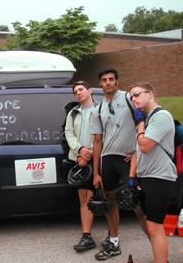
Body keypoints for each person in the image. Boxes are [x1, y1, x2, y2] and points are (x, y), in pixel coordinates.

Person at [90, 69, 148, 261]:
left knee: (136, 204)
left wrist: (137, 150)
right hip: (108, 160)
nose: (108, 83)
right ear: (100, 83)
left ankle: (157, 246)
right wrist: (96, 172)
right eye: (104, 80)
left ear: (117, 81)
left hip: (127, 160)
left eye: (111, 79)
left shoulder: (129, 99)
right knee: (110, 204)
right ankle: (113, 242)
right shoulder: (98, 109)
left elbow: (145, 122)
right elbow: (97, 142)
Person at [129, 82, 176, 263]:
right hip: (146, 177)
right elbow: (136, 152)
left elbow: (145, 145)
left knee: (154, 226)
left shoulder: (161, 116)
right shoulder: (146, 120)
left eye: (137, 94)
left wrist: (140, 125)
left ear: (150, 94)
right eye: (132, 96)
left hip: (160, 176)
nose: (134, 99)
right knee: (152, 225)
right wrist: (132, 180)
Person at [65, 81, 97, 252]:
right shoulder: (73, 112)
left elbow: (104, 133)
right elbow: (68, 133)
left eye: (81, 89)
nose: (78, 93)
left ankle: (112, 237)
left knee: (104, 198)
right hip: (79, 159)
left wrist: (90, 151)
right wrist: (80, 151)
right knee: (84, 198)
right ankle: (87, 236)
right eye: (75, 91)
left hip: (97, 159)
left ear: (89, 91)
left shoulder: (100, 110)